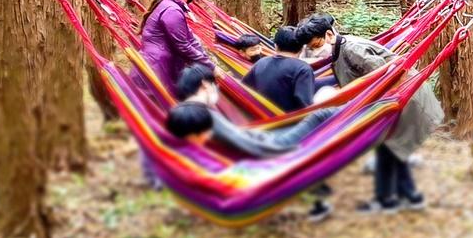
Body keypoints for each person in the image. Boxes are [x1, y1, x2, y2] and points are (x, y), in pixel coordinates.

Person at [297, 14, 443, 212]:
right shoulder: (339, 51)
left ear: (329, 35)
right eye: (311, 48)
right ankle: (407, 197)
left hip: (405, 98)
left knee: (388, 148)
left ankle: (389, 199)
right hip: (394, 100)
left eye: (316, 45)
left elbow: (388, 75)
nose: (315, 51)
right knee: (391, 149)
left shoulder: (352, 49)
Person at [171, 65, 336, 221]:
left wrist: (262, 134)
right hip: (266, 149)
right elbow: (247, 145)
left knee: (310, 118)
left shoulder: (183, 110)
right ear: (205, 84)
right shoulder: (204, 114)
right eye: (216, 84)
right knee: (319, 116)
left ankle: (356, 111)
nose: (218, 89)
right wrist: (288, 152)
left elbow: (235, 138)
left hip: (253, 145)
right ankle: (358, 110)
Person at [135, 0, 210, 96]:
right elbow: (183, 46)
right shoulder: (172, 10)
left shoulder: (170, 5)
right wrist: (210, 67)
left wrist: (207, 62)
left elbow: (189, 38)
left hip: (157, 67)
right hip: (157, 72)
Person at [242, 26, 317, 112]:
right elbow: (305, 105)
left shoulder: (261, 63)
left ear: (275, 46)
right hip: (291, 122)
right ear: (302, 48)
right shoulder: (303, 69)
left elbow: (244, 88)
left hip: (261, 117)